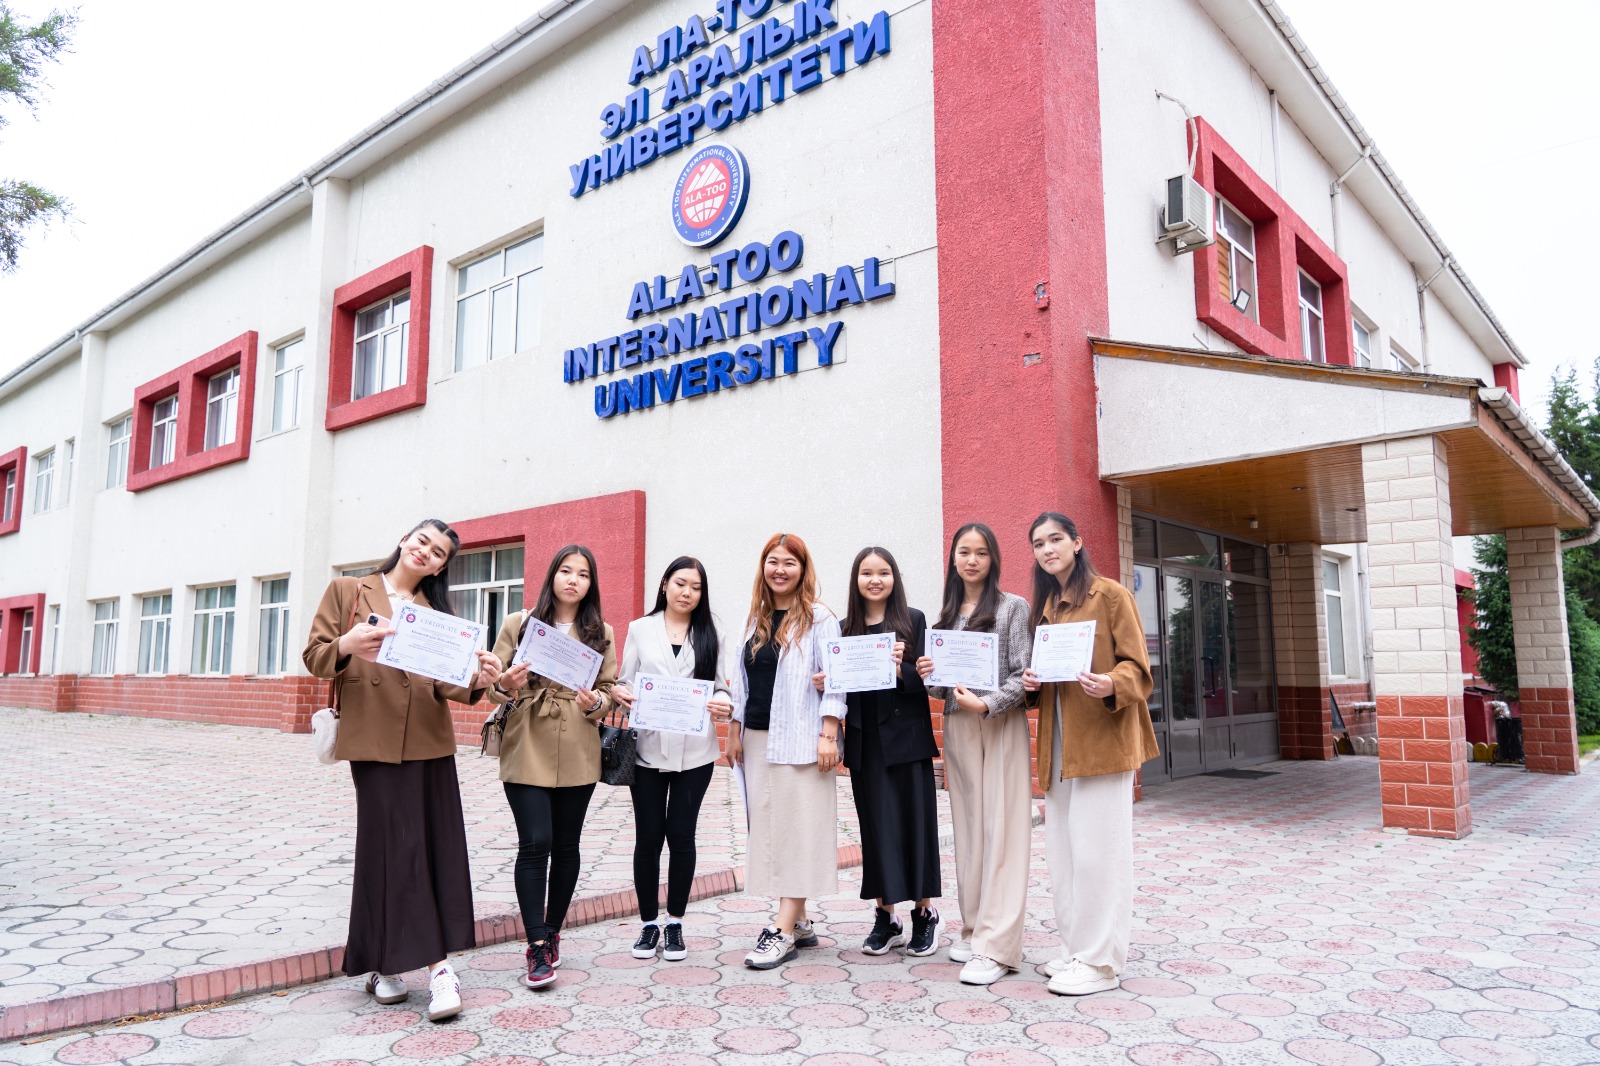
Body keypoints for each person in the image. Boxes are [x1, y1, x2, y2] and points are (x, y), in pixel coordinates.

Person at [303, 518, 501, 1023]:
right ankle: (438, 969)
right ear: (404, 540)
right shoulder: (349, 590)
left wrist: (483, 678)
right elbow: (316, 657)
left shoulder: (437, 615)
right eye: (422, 542)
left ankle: (385, 965)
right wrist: (348, 645)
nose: (426, 553)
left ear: (440, 567)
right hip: (373, 743)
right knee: (393, 849)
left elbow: (450, 686)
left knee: (430, 849)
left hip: (429, 743)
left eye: (438, 553)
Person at [1022, 511, 1157, 996]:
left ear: (1077, 543)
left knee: (1099, 855)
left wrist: (1111, 682)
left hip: (1103, 743)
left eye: (1056, 539)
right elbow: (1045, 682)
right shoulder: (1046, 608)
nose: (1047, 549)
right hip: (1059, 746)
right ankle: (1075, 949)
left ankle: (1101, 963)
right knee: (1065, 856)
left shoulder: (1111, 595)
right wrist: (1032, 684)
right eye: (1038, 543)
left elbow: (1138, 669)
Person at [488, 545, 618, 990]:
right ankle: (536, 943)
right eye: (566, 570)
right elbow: (492, 685)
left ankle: (553, 930)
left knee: (566, 845)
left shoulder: (601, 631)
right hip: (527, 741)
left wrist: (596, 702)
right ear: (553, 576)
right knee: (535, 842)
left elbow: (609, 690)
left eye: (583, 573)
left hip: (578, 745)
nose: (573, 580)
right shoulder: (519, 623)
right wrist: (505, 681)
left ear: (591, 583)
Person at [915, 522, 1032, 986]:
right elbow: (940, 687)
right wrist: (929, 673)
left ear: (993, 559)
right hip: (958, 727)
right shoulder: (946, 615)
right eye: (964, 551)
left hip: (999, 723)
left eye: (981, 552)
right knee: (968, 831)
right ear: (953, 559)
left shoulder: (1013, 607)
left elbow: (1023, 674)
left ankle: (996, 945)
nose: (972, 560)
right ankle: (973, 926)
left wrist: (988, 704)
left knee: (1002, 830)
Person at [727, 533, 846, 970]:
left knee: (798, 831)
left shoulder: (820, 618)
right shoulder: (755, 618)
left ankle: (781, 932)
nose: (780, 569)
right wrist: (734, 731)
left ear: (803, 569)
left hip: (802, 741)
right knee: (771, 831)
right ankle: (799, 921)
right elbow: (741, 681)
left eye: (789, 562)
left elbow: (836, 680)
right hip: (757, 739)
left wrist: (829, 733)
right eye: (773, 561)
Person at [610, 556, 736, 962]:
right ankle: (649, 923)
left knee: (682, 835)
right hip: (647, 750)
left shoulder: (711, 632)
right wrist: (621, 693)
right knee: (648, 837)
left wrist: (723, 702)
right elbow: (624, 680)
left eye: (696, 587)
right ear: (665, 584)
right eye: (681, 583)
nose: (687, 593)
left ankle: (676, 922)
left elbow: (721, 687)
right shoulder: (640, 629)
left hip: (695, 752)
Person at [833, 546, 943, 956]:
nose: (875, 580)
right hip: (866, 742)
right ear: (856, 580)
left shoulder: (913, 620)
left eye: (883, 572)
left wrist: (902, 669)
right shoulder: (844, 629)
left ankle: (924, 914)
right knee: (877, 831)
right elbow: (841, 685)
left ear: (894, 578)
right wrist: (827, 679)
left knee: (916, 826)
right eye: (867, 573)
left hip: (908, 741)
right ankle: (886, 917)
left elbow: (929, 679)